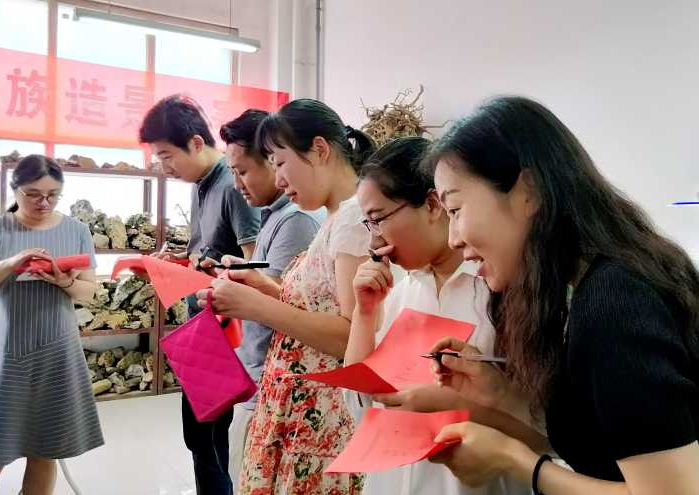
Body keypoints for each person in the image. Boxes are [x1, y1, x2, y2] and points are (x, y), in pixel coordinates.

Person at [422, 96, 699, 494]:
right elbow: (606, 447)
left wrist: (516, 461)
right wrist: (501, 395)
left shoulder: (614, 303)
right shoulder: (581, 290)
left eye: (455, 209)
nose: (452, 239)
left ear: (529, 192)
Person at [197, 98, 375, 494]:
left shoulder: (353, 221)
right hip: (300, 405)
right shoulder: (337, 217)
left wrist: (259, 307)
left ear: (320, 150)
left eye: (279, 163)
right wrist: (267, 289)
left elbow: (350, 336)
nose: (278, 180)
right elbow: (323, 306)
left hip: (322, 416)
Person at [344, 136, 533, 495]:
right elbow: (361, 408)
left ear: (433, 205)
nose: (375, 240)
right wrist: (364, 314)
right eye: (369, 225)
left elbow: (539, 425)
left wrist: (457, 406)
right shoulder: (400, 292)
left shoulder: (500, 287)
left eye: (378, 219)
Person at [139, 94, 261, 495]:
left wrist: (206, 272)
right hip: (203, 330)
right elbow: (206, 252)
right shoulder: (200, 185)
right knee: (198, 436)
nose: (164, 167)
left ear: (195, 143)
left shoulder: (232, 187)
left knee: (215, 440)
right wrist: (179, 262)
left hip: (229, 336)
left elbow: (254, 268)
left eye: (166, 156)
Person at [0, 155, 103, 495]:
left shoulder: (76, 230)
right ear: (15, 189)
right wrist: (10, 264)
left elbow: (89, 292)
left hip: (56, 348)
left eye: (52, 195)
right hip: (4, 351)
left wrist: (64, 281)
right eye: (33, 194)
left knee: (45, 448)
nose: (44, 202)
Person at [215, 108, 322, 491]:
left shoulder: (298, 220)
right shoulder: (274, 216)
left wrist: (241, 293)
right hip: (260, 379)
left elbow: (287, 309)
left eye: (243, 171)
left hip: (271, 385)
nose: (237, 184)